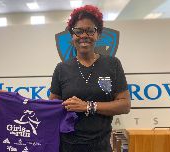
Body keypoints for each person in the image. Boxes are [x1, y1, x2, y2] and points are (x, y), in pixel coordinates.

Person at [49, 5, 131, 152]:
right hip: (67, 147)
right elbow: (50, 108)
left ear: (98, 34)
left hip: (101, 147)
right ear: (72, 35)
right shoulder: (61, 69)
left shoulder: (113, 64)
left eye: (90, 30)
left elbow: (124, 105)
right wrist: (10, 101)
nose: (84, 35)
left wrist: (88, 106)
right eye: (78, 31)